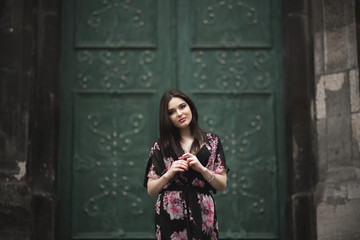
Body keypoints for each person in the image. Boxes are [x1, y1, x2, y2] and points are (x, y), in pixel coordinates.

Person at [143, 89, 229, 240]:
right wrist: (169, 173)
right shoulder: (161, 145)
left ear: (190, 107)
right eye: (171, 112)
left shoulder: (212, 142)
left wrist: (202, 169)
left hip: (203, 211)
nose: (179, 114)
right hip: (170, 212)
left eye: (182, 106)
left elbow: (221, 185)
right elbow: (151, 190)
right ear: (167, 118)